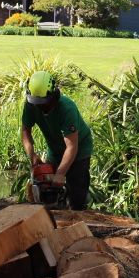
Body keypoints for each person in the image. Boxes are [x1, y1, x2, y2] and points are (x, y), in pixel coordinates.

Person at [22, 71, 93, 210]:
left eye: (43, 103)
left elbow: (72, 147)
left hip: (78, 151)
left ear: (54, 94)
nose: (39, 106)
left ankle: (77, 217)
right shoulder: (31, 105)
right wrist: (32, 155)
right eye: (36, 102)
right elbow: (26, 132)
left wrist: (60, 174)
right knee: (47, 192)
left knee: (76, 199)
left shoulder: (67, 108)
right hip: (55, 150)